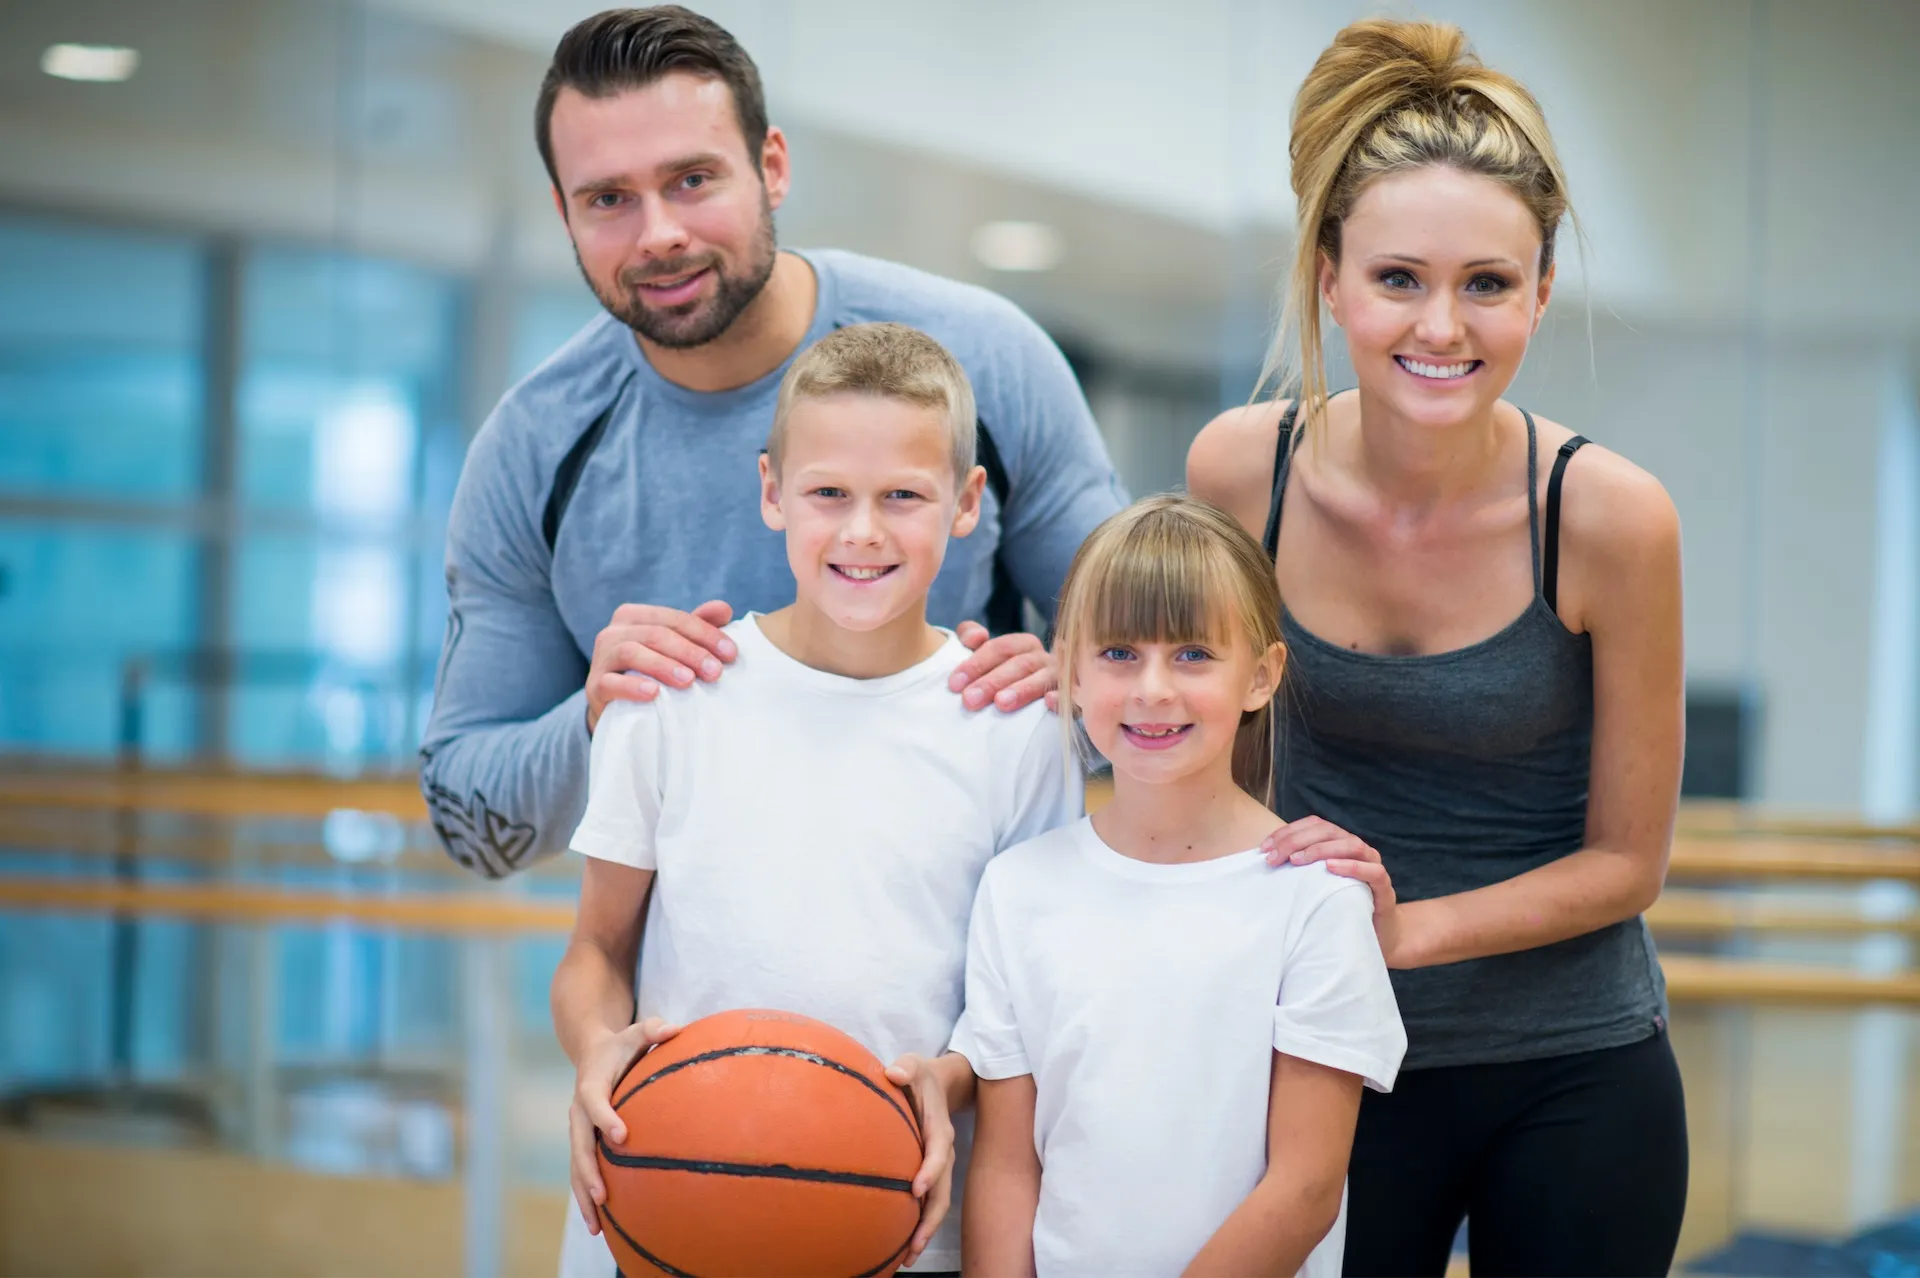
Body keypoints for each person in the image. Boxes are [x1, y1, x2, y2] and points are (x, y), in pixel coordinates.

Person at [1186, 19, 1688, 1277]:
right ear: (1330, 279)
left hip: (1571, 1068)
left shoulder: (1609, 518)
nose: (1443, 326)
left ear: (1542, 293)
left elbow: (1628, 862)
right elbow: (1200, 748)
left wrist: (1404, 929)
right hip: (1324, 1050)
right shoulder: (1242, 473)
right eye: (1400, 278)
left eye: (1489, 284)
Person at [420, 5, 1126, 877]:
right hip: (690, 966)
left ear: (772, 167)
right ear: (565, 215)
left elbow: (1164, 673)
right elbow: (469, 824)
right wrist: (600, 716)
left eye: (692, 180)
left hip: (977, 955)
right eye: (609, 199)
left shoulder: (987, 363)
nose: (659, 234)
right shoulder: (531, 451)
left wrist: (1078, 698)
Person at [552, 323, 1081, 1278]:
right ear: (771, 492)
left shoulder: (1016, 728)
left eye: (903, 496)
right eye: (828, 492)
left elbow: (1021, 1013)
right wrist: (596, 1048)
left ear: (967, 502)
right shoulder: (670, 696)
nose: (862, 531)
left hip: (900, 1221)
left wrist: (948, 1078)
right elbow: (597, 949)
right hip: (666, 1205)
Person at [955, 496, 1406, 1277]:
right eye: (1119, 653)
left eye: (1193, 654)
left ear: (1261, 676)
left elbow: (1305, 1187)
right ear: (1070, 669)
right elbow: (1005, 1166)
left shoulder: (1317, 898)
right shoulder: (1017, 888)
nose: (1153, 688)